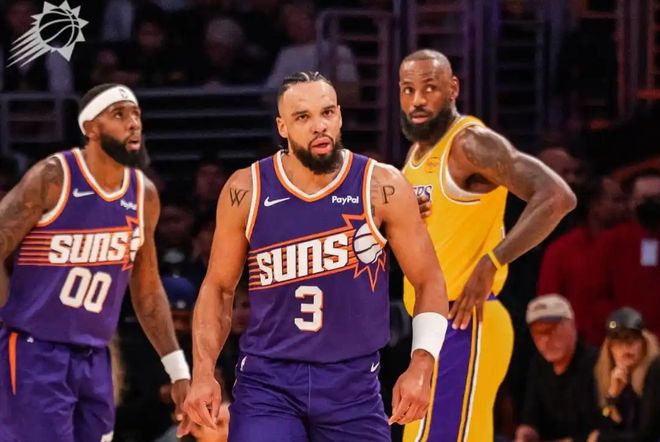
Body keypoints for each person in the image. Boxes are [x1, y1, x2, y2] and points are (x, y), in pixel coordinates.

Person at [180, 71, 450, 441]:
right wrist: (203, 372)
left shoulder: (381, 185)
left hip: (353, 384)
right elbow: (218, 288)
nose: (319, 126)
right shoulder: (246, 189)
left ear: (339, 115)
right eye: (303, 117)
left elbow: (429, 279)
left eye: (327, 113)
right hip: (268, 382)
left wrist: (422, 363)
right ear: (282, 127)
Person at [398, 49, 576, 442]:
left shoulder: (470, 144)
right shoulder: (417, 153)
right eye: (408, 89)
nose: (418, 100)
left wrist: (493, 260)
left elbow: (557, 196)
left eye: (429, 88)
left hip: (464, 322)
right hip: (432, 326)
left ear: (453, 88)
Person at [0, 83, 190, 441]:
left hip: (95, 355)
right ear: (91, 127)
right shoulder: (54, 177)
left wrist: (178, 369)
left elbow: (148, 292)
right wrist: (7, 318)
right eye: (119, 114)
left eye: (137, 114)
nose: (133, 123)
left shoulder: (143, 194)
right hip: (36, 352)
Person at [515, 294, 600, 442]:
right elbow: (531, 416)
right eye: (537, 333)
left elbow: (605, 429)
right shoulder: (537, 365)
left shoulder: (596, 364)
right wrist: (526, 432)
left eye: (550, 330)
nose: (545, 340)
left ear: (572, 325)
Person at [590, 307, 660, 442]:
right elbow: (603, 426)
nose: (626, 347)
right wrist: (612, 396)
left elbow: (646, 434)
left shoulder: (655, 371)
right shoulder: (607, 375)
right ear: (609, 349)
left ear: (644, 343)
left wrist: (602, 438)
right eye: (618, 342)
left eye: (632, 339)